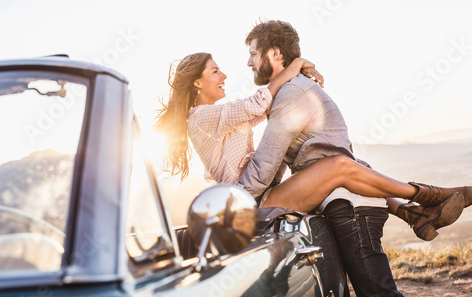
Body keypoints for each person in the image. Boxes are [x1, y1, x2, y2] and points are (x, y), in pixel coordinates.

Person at [237, 20, 471, 296]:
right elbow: (280, 167)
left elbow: (265, 168)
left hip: (348, 206)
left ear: (275, 54)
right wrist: (300, 63)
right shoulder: (291, 90)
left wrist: (236, 199)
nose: (249, 62)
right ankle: (416, 211)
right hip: (344, 201)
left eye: (253, 53)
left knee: (378, 293)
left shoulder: (291, 95)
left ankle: (426, 199)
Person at [154, 51, 469, 243]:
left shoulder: (217, 117)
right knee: (340, 167)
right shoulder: (201, 117)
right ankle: (428, 196)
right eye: (214, 71)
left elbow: (265, 107)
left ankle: (413, 215)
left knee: (349, 162)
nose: (223, 75)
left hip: (261, 197)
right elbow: (257, 103)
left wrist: (301, 75)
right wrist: (297, 64)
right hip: (251, 208)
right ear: (197, 83)